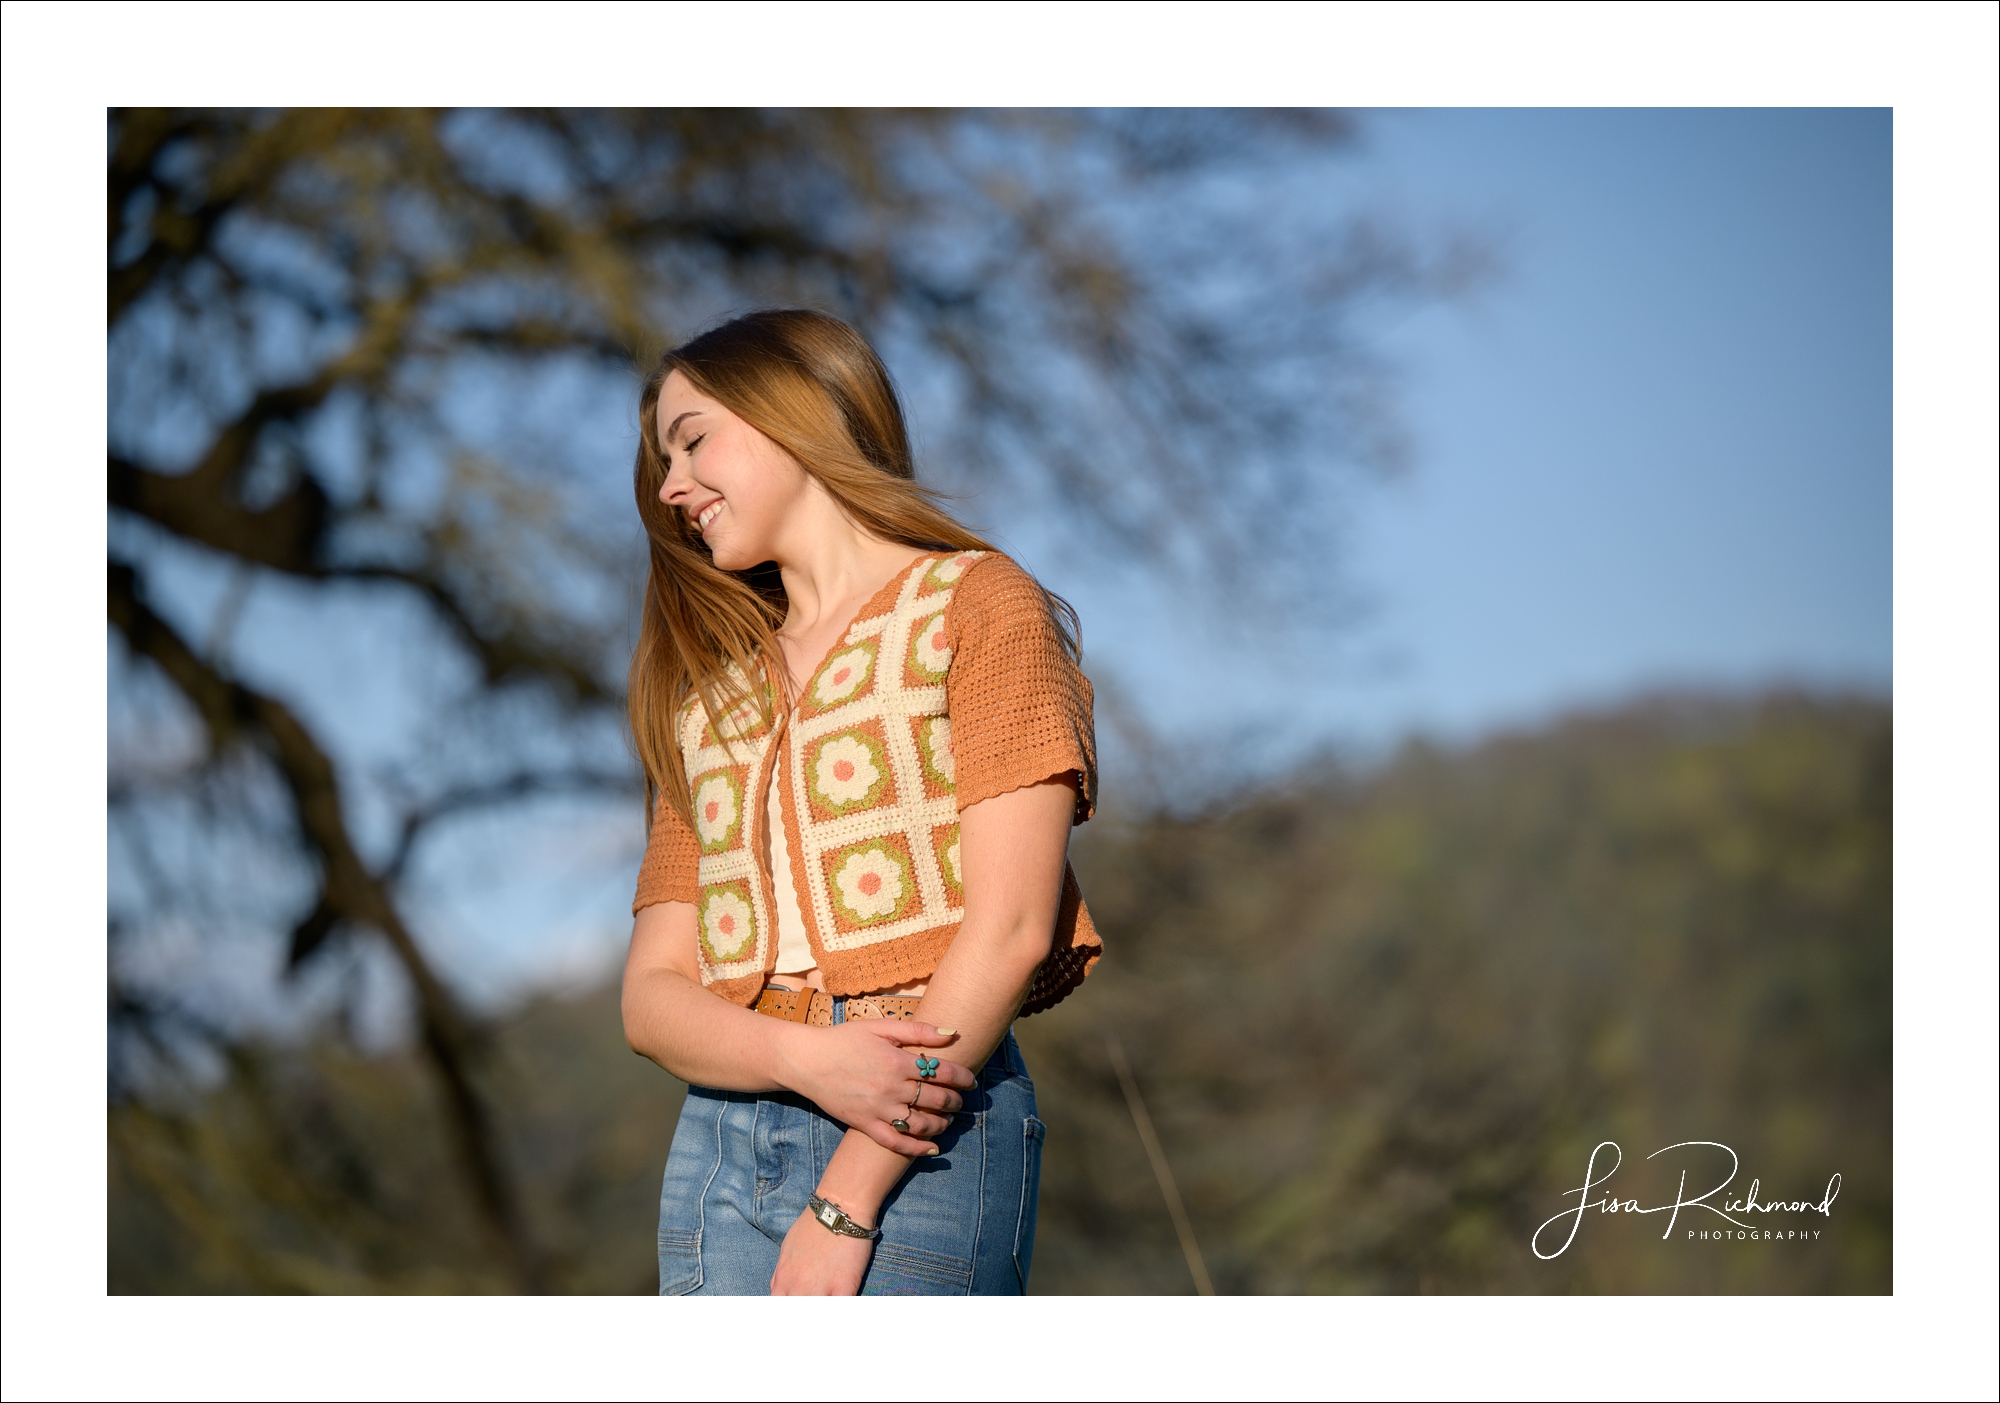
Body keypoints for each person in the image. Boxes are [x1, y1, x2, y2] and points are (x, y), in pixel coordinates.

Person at [620, 309, 1102, 1295]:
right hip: (720, 1138)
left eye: (692, 439)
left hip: (926, 1129)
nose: (671, 488)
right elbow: (652, 993)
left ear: (791, 413)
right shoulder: (706, 697)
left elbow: (1009, 927)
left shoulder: (978, 603)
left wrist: (846, 1198)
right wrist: (804, 1057)